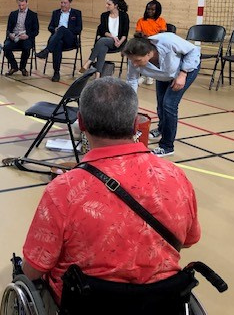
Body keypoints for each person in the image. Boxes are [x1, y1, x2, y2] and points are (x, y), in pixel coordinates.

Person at [21, 77, 200, 311]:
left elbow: (35, 267)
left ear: (82, 123)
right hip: (161, 301)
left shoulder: (64, 189)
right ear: (136, 124)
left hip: (88, 302)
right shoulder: (176, 177)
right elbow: (188, 240)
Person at [123, 33, 200, 157]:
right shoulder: (134, 61)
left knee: (169, 104)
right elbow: (132, 81)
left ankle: (167, 146)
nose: (134, 64)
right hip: (165, 75)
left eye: (138, 60)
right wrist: (130, 105)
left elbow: (194, 50)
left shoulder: (168, 41)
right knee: (160, 104)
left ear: (149, 53)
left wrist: (183, 74)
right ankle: (161, 129)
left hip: (185, 70)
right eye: (132, 60)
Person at [36, 0, 83, 82]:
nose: (63, 5)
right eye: (61, 2)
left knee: (62, 29)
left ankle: (46, 50)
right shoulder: (56, 13)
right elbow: (50, 27)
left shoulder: (76, 13)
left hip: (70, 39)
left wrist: (65, 30)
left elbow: (79, 29)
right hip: (57, 40)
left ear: (70, 3)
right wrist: (55, 30)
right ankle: (56, 72)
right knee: (58, 43)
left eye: (65, 3)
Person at [80, 0, 129, 76]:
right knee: (102, 47)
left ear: (116, 5)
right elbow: (103, 31)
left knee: (101, 41)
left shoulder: (124, 16)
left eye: (109, 4)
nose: (106, 6)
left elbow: (125, 33)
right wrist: (112, 37)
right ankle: (97, 75)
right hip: (107, 40)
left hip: (119, 43)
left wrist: (119, 42)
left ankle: (89, 62)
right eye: (106, 4)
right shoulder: (104, 15)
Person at [3, 0, 39, 77]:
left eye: (23, 5)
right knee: (6, 47)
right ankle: (14, 66)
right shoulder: (13, 14)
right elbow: (8, 29)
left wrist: (27, 36)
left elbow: (36, 31)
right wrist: (10, 35)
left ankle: (23, 67)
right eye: (19, 5)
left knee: (27, 47)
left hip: (26, 37)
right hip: (14, 37)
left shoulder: (33, 15)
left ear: (27, 3)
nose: (21, 7)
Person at [135, 0, 168, 85]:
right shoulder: (141, 20)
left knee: (151, 52)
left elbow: (162, 34)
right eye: (148, 9)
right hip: (144, 42)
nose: (150, 11)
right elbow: (137, 32)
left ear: (157, 11)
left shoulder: (161, 21)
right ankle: (144, 74)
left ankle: (150, 75)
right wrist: (141, 34)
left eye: (153, 10)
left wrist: (152, 38)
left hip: (156, 43)